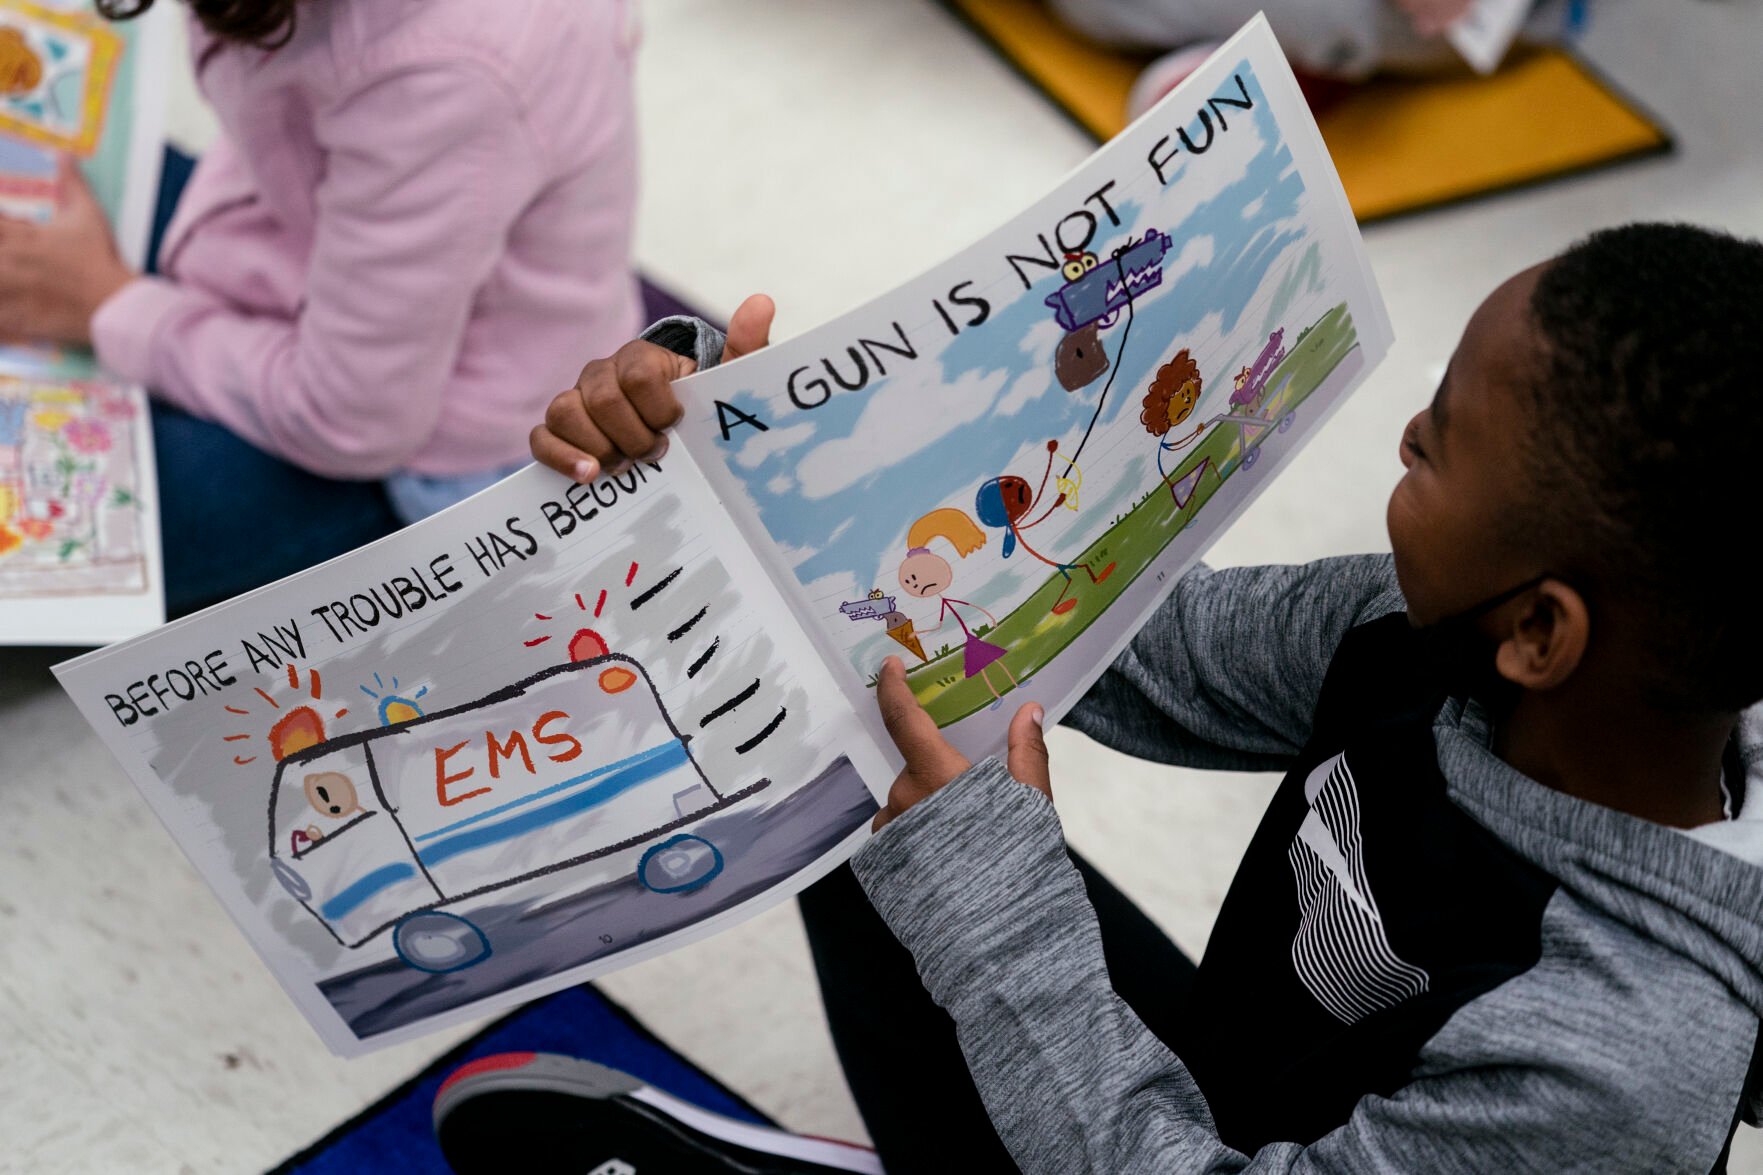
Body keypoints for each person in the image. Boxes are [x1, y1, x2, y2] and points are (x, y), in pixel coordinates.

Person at [522, 222, 1763, 1171]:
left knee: (953, 865)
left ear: (1539, 631)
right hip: (1214, 1096)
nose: (1402, 437)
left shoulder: (1615, 1063)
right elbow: (1114, 629)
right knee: (875, 778)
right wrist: (755, 451)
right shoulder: (1440, 633)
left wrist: (992, 908)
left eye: (1435, 438)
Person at [0, 0, 641, 614]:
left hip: (425, 462)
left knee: (40, 516)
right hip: (324, 268)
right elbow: (305, 103)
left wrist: (107, 304)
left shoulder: (445, 73)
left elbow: (350, 420)